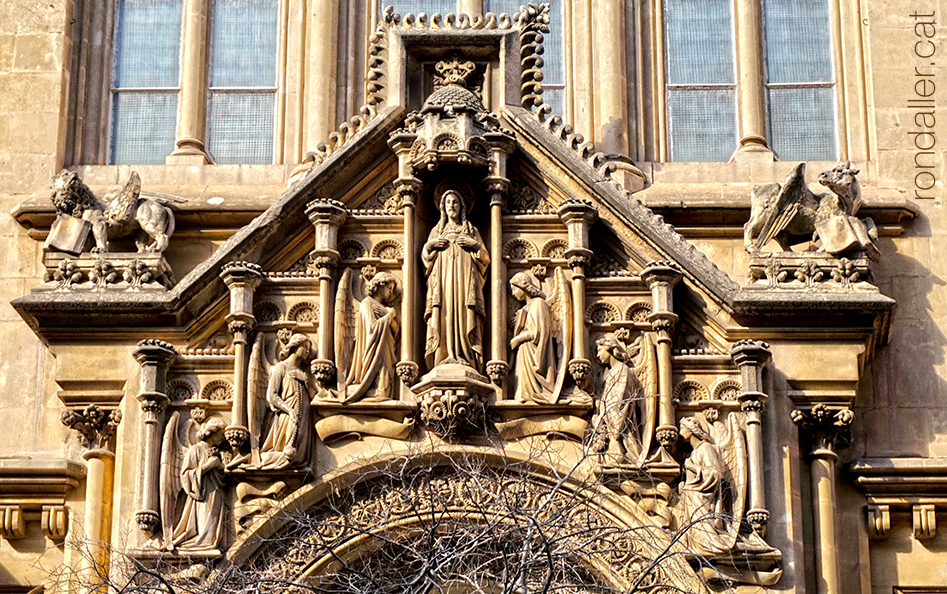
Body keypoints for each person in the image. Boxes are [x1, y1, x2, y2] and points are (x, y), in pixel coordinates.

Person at [422, 190, 489, 371]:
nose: (451, 206)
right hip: (442, 282)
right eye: (448, 203)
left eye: (455, 203)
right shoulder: (436, 231)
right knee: (443, 313)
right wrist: (431, 245)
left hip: (465, 281)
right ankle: (444, 355)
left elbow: (485, 260)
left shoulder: (471, 231)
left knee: (464, 312)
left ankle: (464, 355)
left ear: (462, 207)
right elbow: (425, 259)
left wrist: (473, 245)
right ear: (443, 207)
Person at [678, 416, 736, 556]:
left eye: (682, 428)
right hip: (693, 499)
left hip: (702, 501)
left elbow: (715, 473)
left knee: (704, 537)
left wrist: (692, 467)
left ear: (691, 430)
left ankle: (708, 546)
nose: (680, 433)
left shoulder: (706, 448)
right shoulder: (695, 451)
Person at [340, 272, 399, 402]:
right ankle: (358, 392)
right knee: (382, 392)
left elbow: (395, 330)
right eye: (389, 288)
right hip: (375, 349)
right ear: (379, 285)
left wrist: (391, 316)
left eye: (392, 290)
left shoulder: (383, 307)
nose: (390, 292)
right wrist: (389, 316)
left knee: (386, 389)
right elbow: (372, 327)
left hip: (386, 348)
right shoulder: (367, 303)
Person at [171, 417, 226, 551]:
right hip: (202, 495)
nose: (222, 438)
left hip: (217, 492)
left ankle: (210, 545)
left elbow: (222, 478)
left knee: (214, 525)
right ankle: (203, 547)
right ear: (212, 432)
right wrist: (208, 466)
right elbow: (185, 475)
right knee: (206, 528)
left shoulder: (217, 452)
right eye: (221, 434)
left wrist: (220, 467)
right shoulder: (195, 450)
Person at [258, 334, 312, 469]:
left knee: (300, 453)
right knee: (286, 448)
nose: (307, 351)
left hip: (305, 417)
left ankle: (297, 465)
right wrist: (289, 410)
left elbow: (312, 397)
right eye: (304, 347)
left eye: (309, 349)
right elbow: (272, 395)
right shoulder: (281, 367)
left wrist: (305, 381)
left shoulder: (302, 373)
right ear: (294, 347)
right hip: (288, 415)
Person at [590, 335, 644, 463]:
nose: (598, 355)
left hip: (619, 425)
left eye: (599, 350)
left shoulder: (623, 370)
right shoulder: (609, 373)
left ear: (610, 349)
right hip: (608, 421)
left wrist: (603, 413)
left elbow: (619, 401)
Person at [510, 272, 557, 403]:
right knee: (522, 391)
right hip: (524, 350)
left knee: (531, 389)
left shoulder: (538, 303)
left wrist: (518, 338)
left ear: (523, 286)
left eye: (514, 289)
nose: (513, 293)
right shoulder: (525, 308)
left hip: (532, 350)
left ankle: (535, 393)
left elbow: (539, 332)